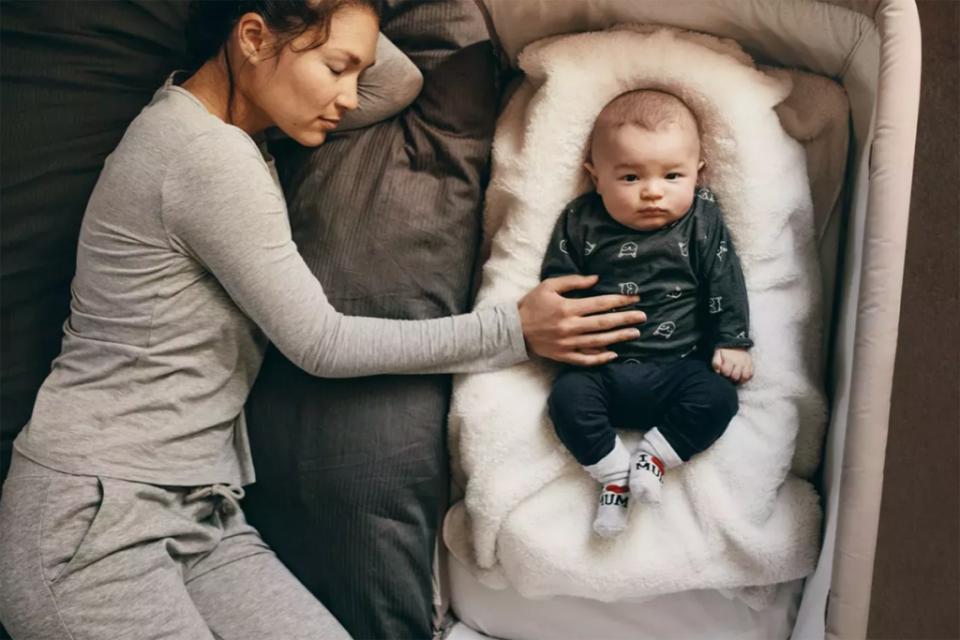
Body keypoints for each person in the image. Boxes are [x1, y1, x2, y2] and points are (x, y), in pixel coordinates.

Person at [0, 1, 648, 638]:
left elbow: (398, 81)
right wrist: (512, 331)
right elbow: (322, 342)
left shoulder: (234, 126)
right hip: (95, 517)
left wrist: (342, 27)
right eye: (337, 68)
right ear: (251, 35)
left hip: (197, 511)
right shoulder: (203, 155)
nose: (348, 94)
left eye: (352, 71)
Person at [541, 89, 755, 538]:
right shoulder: (579, 220)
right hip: (601, 367)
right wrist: (568, 337)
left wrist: (732, 339)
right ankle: (613, 474)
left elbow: (724, 277)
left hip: (681, 367)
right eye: (631, 177)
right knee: (565, 402)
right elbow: (556, 287)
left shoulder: (701, 217)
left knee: (720, 398)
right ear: (595, 177)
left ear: (698, 173)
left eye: (672, 175)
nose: (653, 192)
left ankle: (653, 457)